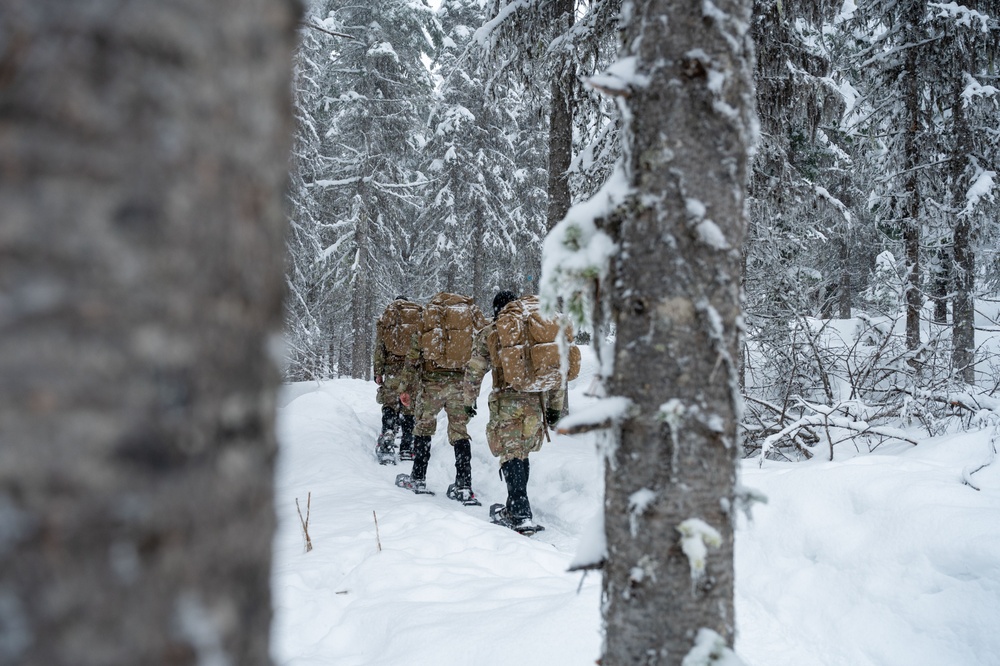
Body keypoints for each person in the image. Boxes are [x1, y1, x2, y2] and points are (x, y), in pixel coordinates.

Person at [464, 291, 564, 535]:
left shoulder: (493, 331)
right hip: (534, 403)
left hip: (505, 401)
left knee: (511, 454)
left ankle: (519, 513)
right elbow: (556, 370)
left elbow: (475, 369)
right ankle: (515, 507)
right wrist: (554, 407)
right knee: (522, 453)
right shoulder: (535, 332)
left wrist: (468, 400)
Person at [395, 292, 487, 505]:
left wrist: (404, 387)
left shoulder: (429, 317)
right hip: (459, 383)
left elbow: (413, 356)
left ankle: (418, 478)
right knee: (460, 433)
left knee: (423, 428)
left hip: (431, 383)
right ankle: (464, 484)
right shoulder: (468, 318)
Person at [373, 296, 420, 464]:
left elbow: (379, 349)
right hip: (411, 370)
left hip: (392, 370)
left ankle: (387, 437)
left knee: (390, 405)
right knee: (409, 409)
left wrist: (378, 372)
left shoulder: (388, 320)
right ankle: (407, 446)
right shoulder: (417, 318)